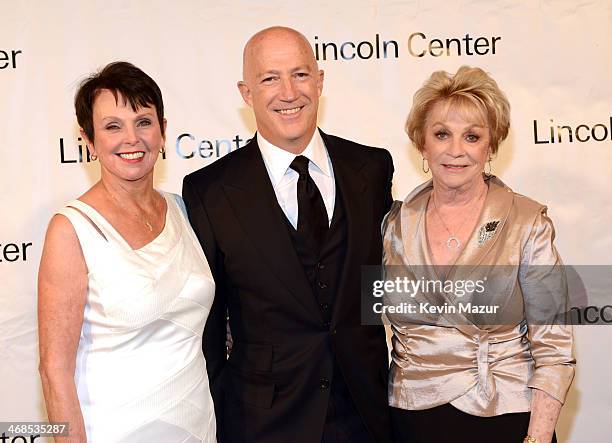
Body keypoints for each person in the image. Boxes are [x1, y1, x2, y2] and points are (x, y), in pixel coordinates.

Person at [183, 27, 394, 443]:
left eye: (300, 74)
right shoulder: (209, 191)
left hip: (367, 415)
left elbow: (381, 287)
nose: (288, 92)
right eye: (269, 78)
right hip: (264, 422)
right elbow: (208, 324)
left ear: (320, 81)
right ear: (246, 93)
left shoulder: (371, 168)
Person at [382, 66, 575, 443]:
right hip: (411, 421)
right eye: (442, 134)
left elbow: (554, 350)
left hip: (505, 417)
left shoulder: (526, 222)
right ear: (423, 144)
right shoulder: (393, 225)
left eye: (472, 136)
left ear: (491, 147)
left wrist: (536, 440)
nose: (456, 150)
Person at [38, 62, 216, 442]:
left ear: (164, 130)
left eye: (144, 122)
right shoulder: (72, 229)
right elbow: (54, 370)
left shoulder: (185, 211)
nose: (131, 139)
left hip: (197, 426)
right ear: (89, 140)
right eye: (113, 126)